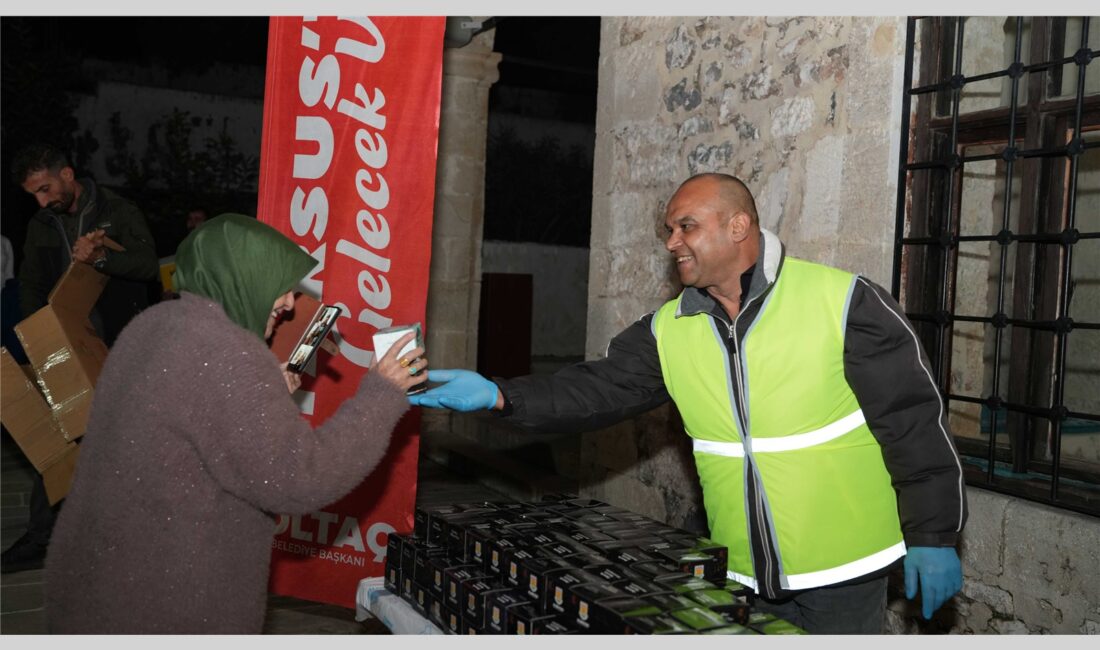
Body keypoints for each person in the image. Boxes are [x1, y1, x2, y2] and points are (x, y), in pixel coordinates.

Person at [409, 173, 967, 634]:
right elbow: (596, 388)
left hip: (842, 569)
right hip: (741, 569)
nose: (672, 241)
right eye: (669, 230)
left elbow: (912, 423)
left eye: (686, 227)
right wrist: (500, 394)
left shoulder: (841, 300)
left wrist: (934, 536)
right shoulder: (669, 328)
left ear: (738, 226)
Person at [43, 214, 428, 633]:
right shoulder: (229, 353)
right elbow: (300, 478)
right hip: (168, 603)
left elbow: (191, 417)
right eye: (280, 283)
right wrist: (381, 394)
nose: (288, 303)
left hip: (99, 581)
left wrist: (260, 395)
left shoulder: (152, 324)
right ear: (243, 277)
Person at [1, 143, 160, 574]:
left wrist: (103, 255)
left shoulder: (117, 210)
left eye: (45, 188)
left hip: (120, 343)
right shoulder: (42, 223)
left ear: (67, 175)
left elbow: (147, 266)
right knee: (59, 438)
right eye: (33, 193)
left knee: (123, 440)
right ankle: (43, 537)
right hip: (63, 345)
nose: (41, 200)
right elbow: (31, 283)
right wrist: (41, 335)